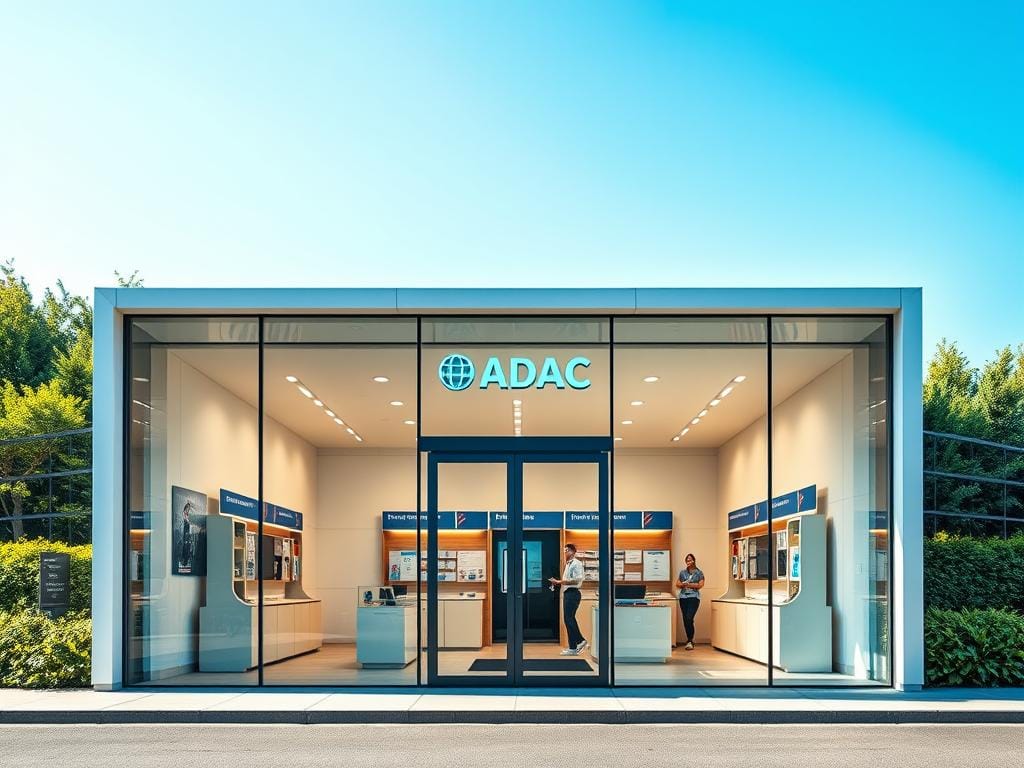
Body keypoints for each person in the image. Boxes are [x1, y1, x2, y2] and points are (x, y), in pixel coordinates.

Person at [548, 543, 587, 655]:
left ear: (573, 552)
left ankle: (580, 640)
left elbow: (577, 579)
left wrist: (560, 581)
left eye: (567, 550)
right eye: (564, 550)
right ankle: (573, 648)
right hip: (568, 593)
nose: (565, 552)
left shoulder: (576, 563)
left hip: (573, 593)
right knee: (568, 619)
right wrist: (558, 583)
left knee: (569, 619)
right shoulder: (568, 564)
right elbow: (569, 580)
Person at [675, 553, 705, 651]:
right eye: (687, 560)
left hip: (694, 597)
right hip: (683, 598)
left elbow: (700, 585)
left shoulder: (699, 573)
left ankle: (690, 640)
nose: (689, 561)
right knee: (685, 619)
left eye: (690, 560)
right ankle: (689, 640)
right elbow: (677, 583)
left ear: (694, 561)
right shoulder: (682, 572)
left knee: (689, 618)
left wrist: (688, 584)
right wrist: (683, 584)